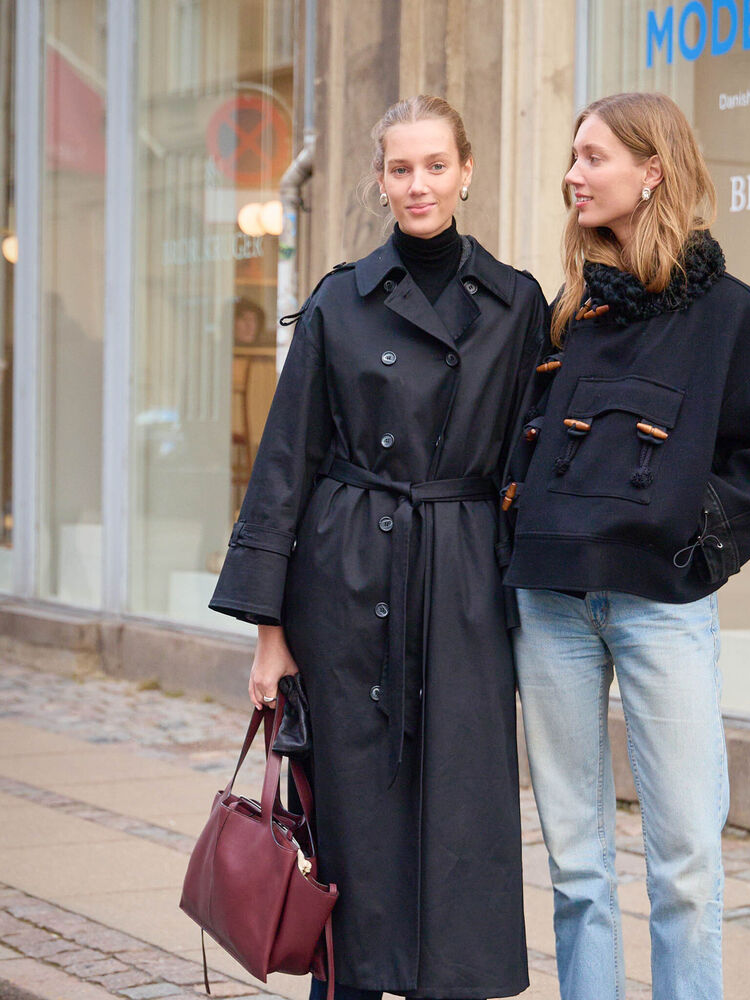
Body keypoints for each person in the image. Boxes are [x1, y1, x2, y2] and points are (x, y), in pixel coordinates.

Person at [209, 95, 546, 1000]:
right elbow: (287, 459)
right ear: (379, 179)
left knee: (464, 814)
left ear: (466, 171)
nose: (419, 184)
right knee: (350, 821)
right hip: (348, 580)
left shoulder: (518, 305)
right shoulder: (338, 300)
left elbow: (528, 459)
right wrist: (269, 631)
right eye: (401, 168)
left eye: (435, 165)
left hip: (465, 577)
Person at [502, 92, 750, 1000]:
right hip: (548, 603)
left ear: (653, 170)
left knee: (686, 862)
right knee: (575, 864)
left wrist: (700, 539)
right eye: (573, 156)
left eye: (594, 156)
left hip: (661, 606)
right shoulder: (570, 313)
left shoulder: (728, 315)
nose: (574, 174)